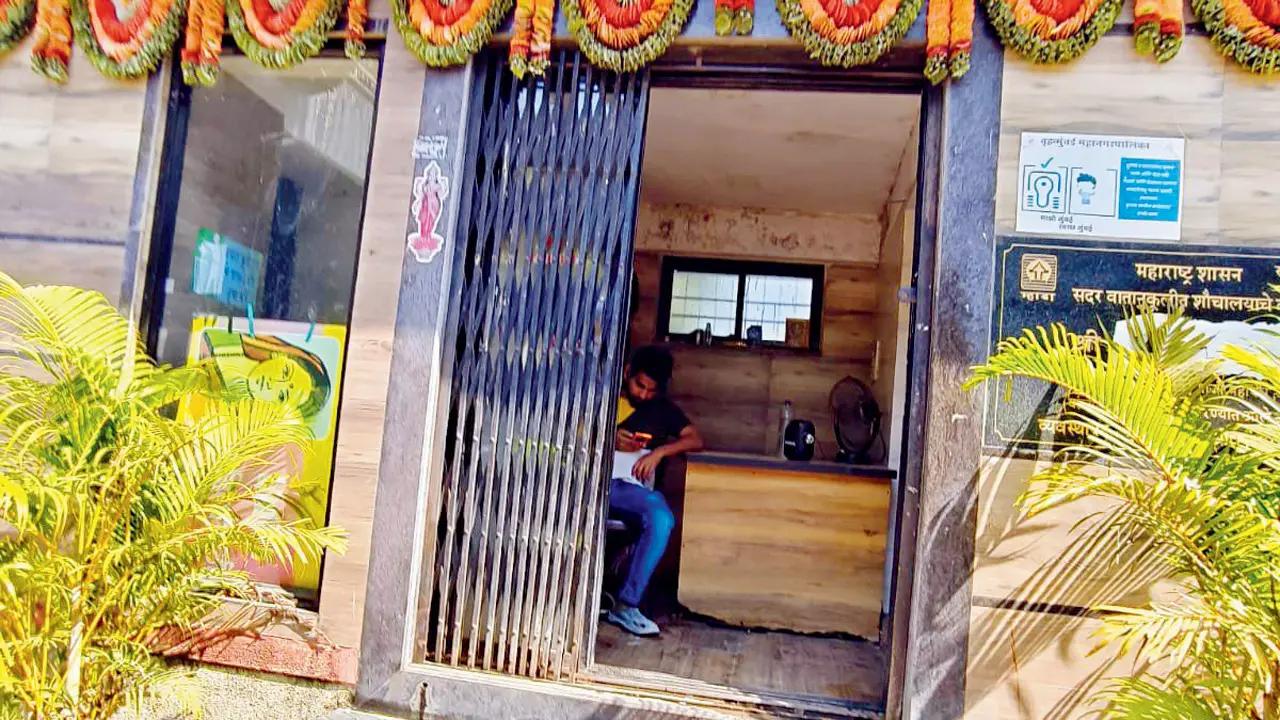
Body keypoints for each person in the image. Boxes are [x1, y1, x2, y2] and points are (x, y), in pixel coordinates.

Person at [606, 345, 703, 636]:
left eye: (651, 390)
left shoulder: (662, 410)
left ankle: (626, 605)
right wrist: (608, 435)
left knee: (661, 517)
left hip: (626, 489)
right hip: (587, 482)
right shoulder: (603, 397)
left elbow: (695, 438)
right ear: (627, 373)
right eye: (640, 385)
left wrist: (659, 452)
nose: (644, 394)